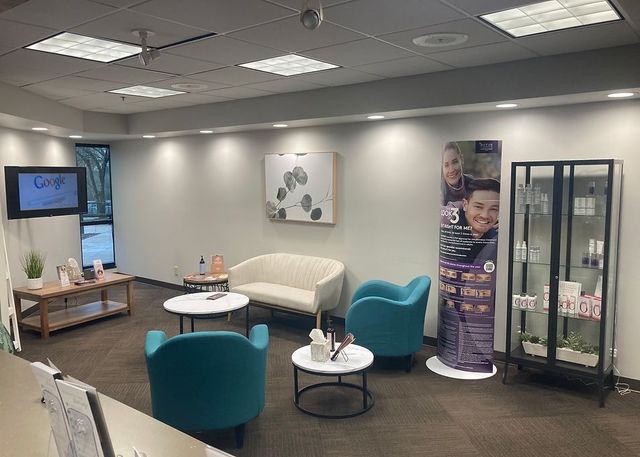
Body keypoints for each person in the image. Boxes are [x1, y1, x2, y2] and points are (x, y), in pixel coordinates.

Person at [458, 178, 500, 264]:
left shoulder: (497, 236)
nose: (485, 215)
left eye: (493, 209)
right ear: (465, 205)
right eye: (478, 207)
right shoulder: (451, 235)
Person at [441, 142, 474, 206]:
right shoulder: (440, 190)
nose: (451, 170)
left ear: (461, 159)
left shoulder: (471, 182)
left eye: (455, 162)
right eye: (446, 165)